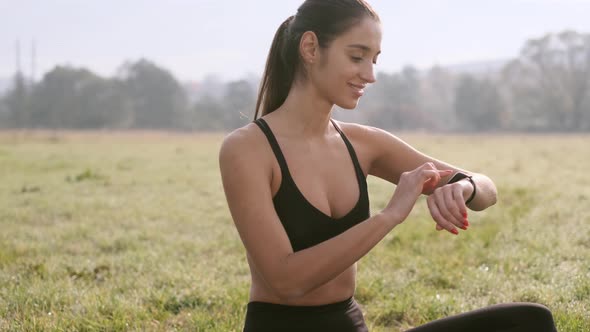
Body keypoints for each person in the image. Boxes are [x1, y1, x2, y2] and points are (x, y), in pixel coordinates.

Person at [219, 0, 558, 331]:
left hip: (347, 323)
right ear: (310, 48)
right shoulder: (247, 149)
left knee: (528, 320)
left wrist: (462, 186)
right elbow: (285, 280)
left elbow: (487, 189)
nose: (369, 75)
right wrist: (389, 215)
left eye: (374, 60)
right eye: (356, 56)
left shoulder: (365, 144)